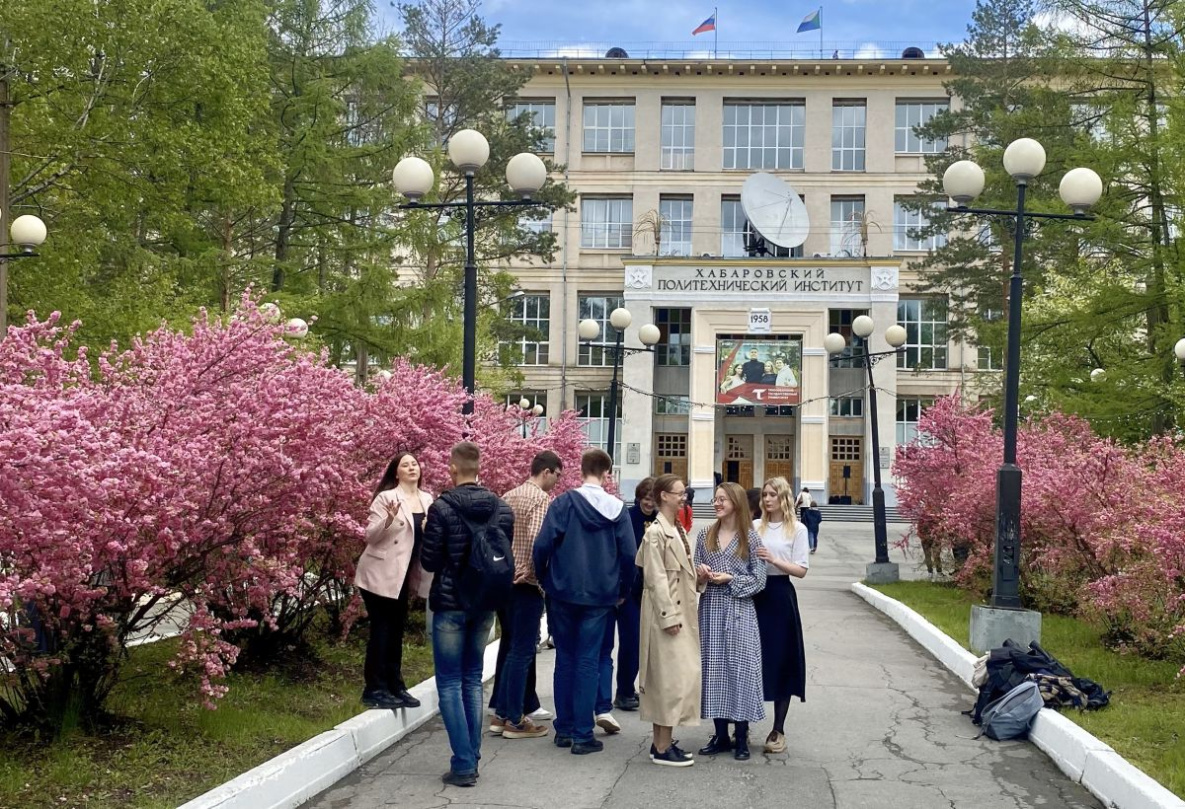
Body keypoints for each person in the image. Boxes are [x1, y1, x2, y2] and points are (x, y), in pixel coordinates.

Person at [421, 442, 516, 787]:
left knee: (448, 681)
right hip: (485, 604)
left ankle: (463, 763)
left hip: (450, 604)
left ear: (451, 468)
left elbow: (430, 561)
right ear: (479, 468)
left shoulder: (442, 508)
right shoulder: (502, 509)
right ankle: (472, 755)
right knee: (473, 678)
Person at [533, 449, 636, 755]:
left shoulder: (564, 503)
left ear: (580, 470)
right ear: (607, 473)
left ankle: (563, 729)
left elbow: (542, 545)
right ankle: (582, 734)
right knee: (589, 660)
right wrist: (623, 589)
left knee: (565, 659)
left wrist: (545, 578)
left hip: (563, 591)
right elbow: (629, 555)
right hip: (601, 594)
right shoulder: (618, 509)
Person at [490, 451, 564, 740]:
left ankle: (501, 713)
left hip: (505, 579)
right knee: (522, 650)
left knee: (509, 647)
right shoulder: (541, 500)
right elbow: (538, 539)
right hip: (526, 583)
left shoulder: (508, 495)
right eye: (557, 475)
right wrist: (534, 572)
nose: (556, 483)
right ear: (546, 471)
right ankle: (515, 719)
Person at [355, 453, 434, 710]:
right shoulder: (387, 497)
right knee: (382, 629)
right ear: (396, 472)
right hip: (378, 573)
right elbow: (370, 535)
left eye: (414, 464)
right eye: (405, 465)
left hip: (403, 575)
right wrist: (389, 520)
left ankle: (395, 684)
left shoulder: (427, 499)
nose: (411, 468)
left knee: (397, 629)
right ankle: (374, 688)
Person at [695, 482, 767, 761]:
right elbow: (694, 571)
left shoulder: (751, 538)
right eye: (715, 499)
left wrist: (732, 579)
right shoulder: (705, 535)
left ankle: (741, 735)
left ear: (736, 502)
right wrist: (701, 574)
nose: (717, 503)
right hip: (711, 608)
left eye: (722, 499)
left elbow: (759, 580)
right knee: (714, 669)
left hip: (740, 610)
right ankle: (720, 734)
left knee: (741, 670)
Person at [637, 474, 703, 767]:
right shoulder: (655, 532)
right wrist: (668, 616)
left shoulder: (675, 527)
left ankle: (661, 742)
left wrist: (699, 578)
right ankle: (661, 747)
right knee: (668, 682)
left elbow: (679, 572)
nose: (683, 497)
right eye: (679, 493)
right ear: (664, 495)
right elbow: (655, 578)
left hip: (681, 613)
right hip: (668, 616)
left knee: (673, 680)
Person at [752, 477, 809, 754]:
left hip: (779, 594)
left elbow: (800, 569)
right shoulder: (754, 527)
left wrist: (773, 560)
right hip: (755, 594)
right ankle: (743, 720)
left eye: (772, 494)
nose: (767, 499)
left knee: (782, 658)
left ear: (783, 497)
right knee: (752, 657)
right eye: (764, 494)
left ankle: (778, 729)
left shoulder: (797, 529)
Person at [614, 478, 657, 712]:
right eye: (646, 498)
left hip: (651, 589)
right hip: (629, 589)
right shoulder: (628, 517)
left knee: (647, 644)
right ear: (639, 497)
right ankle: (623, 690)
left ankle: (637, 687)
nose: (649, 503)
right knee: (631, 641)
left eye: (653, 499)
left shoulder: (660, 520)